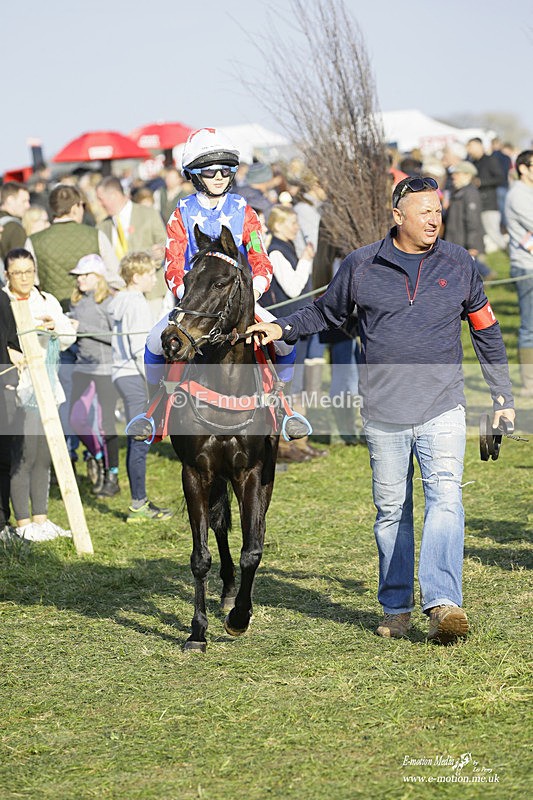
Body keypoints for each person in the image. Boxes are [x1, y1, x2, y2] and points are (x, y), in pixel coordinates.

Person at [246, 175, 515, 645]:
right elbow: (325, 313)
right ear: (398, 217)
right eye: (424, 211)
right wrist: (281, 329)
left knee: (446, 498)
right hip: (384, 411)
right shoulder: (361, 265)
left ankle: (443, 603)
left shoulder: (460, 263)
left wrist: (502, 396)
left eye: (438, 210)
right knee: (392, 511)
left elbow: (485, 329)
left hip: (443, 405)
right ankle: (397, 608)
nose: (434, 219)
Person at [142, 128, 298, 421]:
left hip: (239, 297)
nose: (219, 177)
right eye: (210, 170)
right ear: (194, 174)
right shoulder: (181, 212)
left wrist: (255, 289)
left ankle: (283, 405)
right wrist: (187, 294)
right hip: (193, 301)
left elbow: (259, 258)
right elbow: (172, 262)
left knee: (285, 341)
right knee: (153, 343)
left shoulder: (244, 210)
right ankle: (153, 412)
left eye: (225, 170)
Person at [3, 249, 77, 541]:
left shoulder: (46, 300)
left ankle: (41, 519)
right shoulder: (4, 301)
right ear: (8, 275)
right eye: (18, 272)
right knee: (24, 455)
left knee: (46, 455)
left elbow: (69, 337)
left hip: (47, 388)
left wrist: (54, 328)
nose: (24, 278)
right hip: (17, 390)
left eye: (29, 271)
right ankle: (23, 523)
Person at [108, 252, 173, 521]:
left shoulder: (123, 300)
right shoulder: (135, 304)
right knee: (140, 440)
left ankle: (139, 500)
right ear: (136, 277)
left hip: (122, 374)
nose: (153, 278)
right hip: (134, 376)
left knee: (139, 438)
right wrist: (153, 383)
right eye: (149, 274)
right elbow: (138, 349)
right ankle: (138, 505)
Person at [68, 254, 119, 498]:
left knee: (105, 422)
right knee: (76, 419)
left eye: (84, 275)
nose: (79, 280)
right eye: (77, 276)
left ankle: (112, 475)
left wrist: (82, 329)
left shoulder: (109, 302)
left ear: (97, 278)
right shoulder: (76, 303)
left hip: (104, 369)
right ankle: (98, 457)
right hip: (82, 367)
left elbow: (116, 337)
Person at [95, 176, 172, 320]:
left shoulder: (148, 214)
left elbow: (165, 243)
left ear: (114, 195)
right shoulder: (102, 226)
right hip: (120, 296)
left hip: (151, 294)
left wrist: (156, 254)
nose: (99, 204)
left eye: (100, 198)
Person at [505, 149, 533, 396]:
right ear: (523, 168)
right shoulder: (518, 195)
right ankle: (529, 382)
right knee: (529, 325)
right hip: (527, 266)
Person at [0, 290, 22, 540]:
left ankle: (1, 522)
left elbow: (10, 339)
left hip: (3, 386)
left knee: (4, 458)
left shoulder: (2, 299)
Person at [466, 137, 508, 252]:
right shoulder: (472, 162)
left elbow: (500, 178)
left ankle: (509, 252)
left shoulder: (490, 160)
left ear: (479, 146)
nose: (468, 149)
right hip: (477, 202)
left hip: (489, 203)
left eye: (471, 146)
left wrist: (481, 182)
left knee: (493, 231)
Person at [0, 183, 30, 281]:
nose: (28, 206)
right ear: (10, 200)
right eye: (24, 201)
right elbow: (19, 265)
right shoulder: (14, 228)